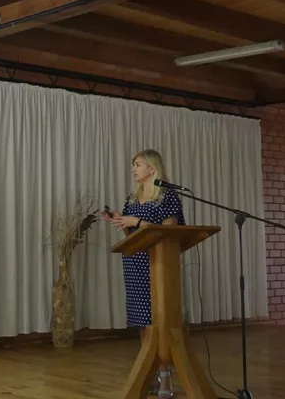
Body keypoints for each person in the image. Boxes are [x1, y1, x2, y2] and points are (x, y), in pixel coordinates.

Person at [101, 149, 185, 398]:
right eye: (133, 165)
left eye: (137, 164)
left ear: (152, 167)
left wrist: (136, 222)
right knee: (143, 322)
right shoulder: (132, 198)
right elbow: (132, 236)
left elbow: (170, 233)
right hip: (134, 264)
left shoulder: (167, 196)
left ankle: (167, 377)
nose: (133, 169)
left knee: (160, 321)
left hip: (158, 265)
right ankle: (153, 375)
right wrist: (121, 221)